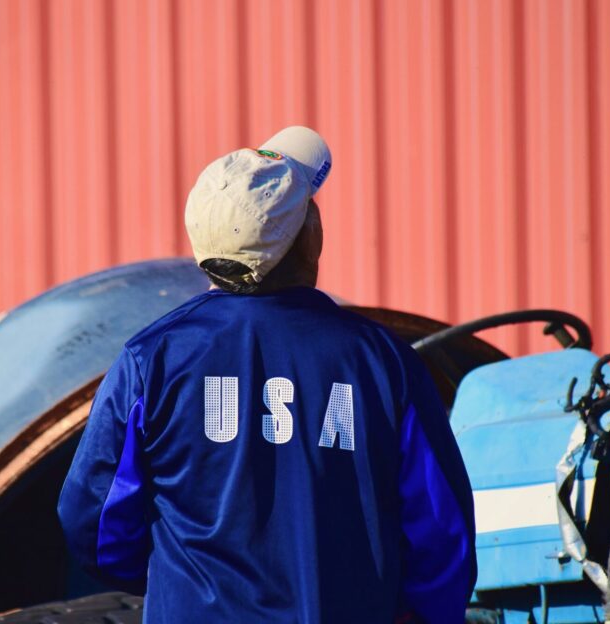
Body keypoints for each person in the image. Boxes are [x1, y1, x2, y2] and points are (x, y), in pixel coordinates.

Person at [57, 127, 476, 623]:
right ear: (308, 241)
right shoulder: (382, 361)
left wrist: (176, 582)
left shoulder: (152, 360)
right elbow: (440, 529)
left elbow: (96, 520)